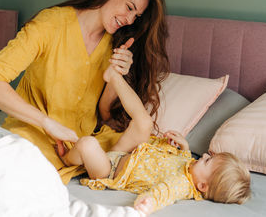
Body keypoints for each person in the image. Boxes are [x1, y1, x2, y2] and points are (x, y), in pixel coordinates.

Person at [0, 0, 169, 184]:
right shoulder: (51, 24)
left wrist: (116, 76)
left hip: (81, 147)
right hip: (36, 138)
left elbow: (104, 115)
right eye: (129, 7)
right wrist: (47, 123)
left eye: (136, 15)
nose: (130, 19)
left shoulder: (113, 44)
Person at [61, 64, 251, 216]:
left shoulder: (182, 185)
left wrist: (149, 203)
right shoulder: (191, 167)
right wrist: (184, 148)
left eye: (207, 161)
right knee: (144, 122)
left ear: (202, 186)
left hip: (110, 171)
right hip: (125, 154)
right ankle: (113, 77)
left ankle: (67, 159)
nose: (202, 156)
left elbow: (165, 192)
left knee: (87, 144)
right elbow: (184, 159)